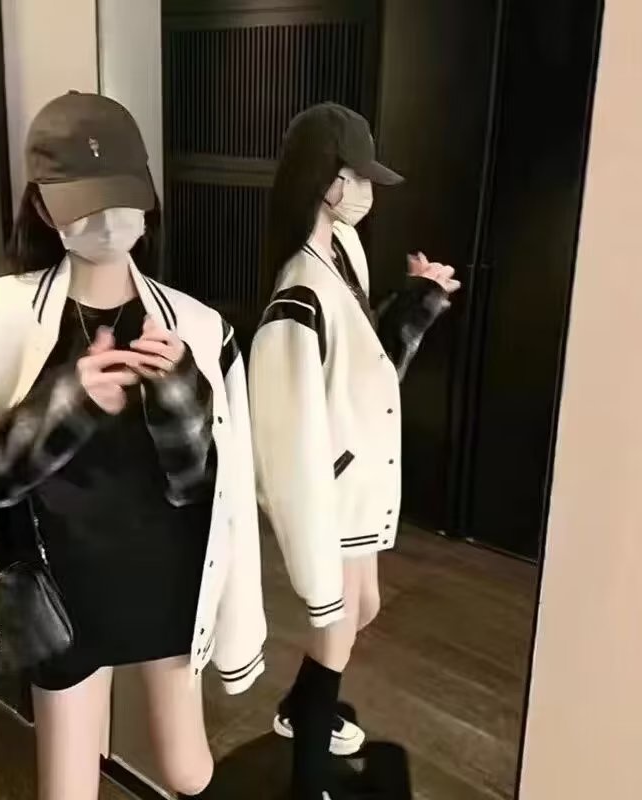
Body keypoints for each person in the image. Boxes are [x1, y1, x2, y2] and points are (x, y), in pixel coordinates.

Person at [0, 92, 265, 800]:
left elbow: (206, 488)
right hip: (60, 587)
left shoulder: (202, 329)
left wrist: (179, 395)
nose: (107, 222)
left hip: (170, 579)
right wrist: (63, 409)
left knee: (187, 768)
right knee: (69, 786)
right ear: (44, 209)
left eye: (123, 199)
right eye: (83, 203)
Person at [248, 102, 460, 800]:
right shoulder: (299, 291)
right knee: (337, 623)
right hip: (331, 488)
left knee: (361, 606)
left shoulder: (343, 250)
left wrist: (420, 299)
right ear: (325, 180)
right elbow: (284, 436)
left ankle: (300, 706)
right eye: (357, 176)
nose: (366, 191)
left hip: (360, 477)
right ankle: (309, 776)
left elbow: (366, 364)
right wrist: (306, 529)